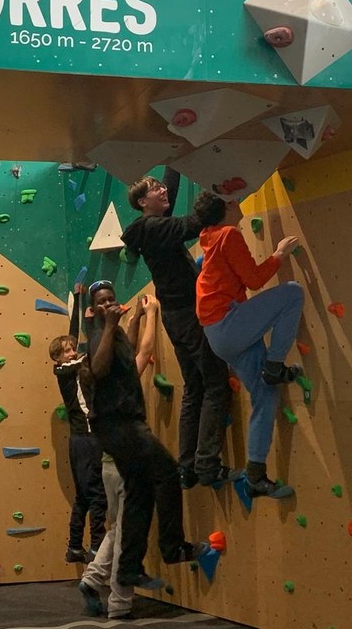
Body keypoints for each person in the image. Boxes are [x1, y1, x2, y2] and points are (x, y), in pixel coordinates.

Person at [85, 280, 207, 588]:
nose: (108, 304)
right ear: (94, 310)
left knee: (140, 491)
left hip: (124, 424)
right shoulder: (98, 335)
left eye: (111, 298)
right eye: (101, 302)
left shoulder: (116, 334)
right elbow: (98, 369)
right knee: (167, 472)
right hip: (119, 425)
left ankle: (128, 568)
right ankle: (173, 547)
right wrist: (110, 325)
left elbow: (128, 357)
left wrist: (137, 318)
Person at [122, 167, 234, 490]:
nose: (163, 191)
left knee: (195, 387)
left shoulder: (150, 227)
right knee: (216, 383)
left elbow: (169, 189)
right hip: (187, 315)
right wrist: (221, 191)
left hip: (176, 316)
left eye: (161, 187)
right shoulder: (156, 228)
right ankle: (207, 465)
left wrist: (176, 160)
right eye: (155, 189)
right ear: (143, 202)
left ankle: (187, 467)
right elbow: (195, 222)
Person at [193, 191, 304, 499]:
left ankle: (255, 475)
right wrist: (278, 254)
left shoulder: (211, 236)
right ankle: (275, 366)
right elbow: (254, 280)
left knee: (266, 394)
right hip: (227, 324)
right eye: (231, 200)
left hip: (219, 335)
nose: (237, 202)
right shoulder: (227, 234)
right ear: (225, 209)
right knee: (292, 293)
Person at [79, 292, 159, 619]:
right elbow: (143, 352)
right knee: (128, 533)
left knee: (118, 527)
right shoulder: (113, 379)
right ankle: (120, 603)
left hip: (108, 466)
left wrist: (135, 319)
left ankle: (92, 577)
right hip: (126, 466)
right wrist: (152, 314)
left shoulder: (96, 376)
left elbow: (125, 349)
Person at [49, 329, 107, 563]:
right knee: (97, 495)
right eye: (66, 351)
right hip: (86, 439)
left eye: (73, 349)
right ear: (57, 358)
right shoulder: (63, 370)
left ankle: (74, 546)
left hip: (81, 440)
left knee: (83, 495)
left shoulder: (72, 370)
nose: (72, 353)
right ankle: (97, 546)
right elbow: (86, 360)